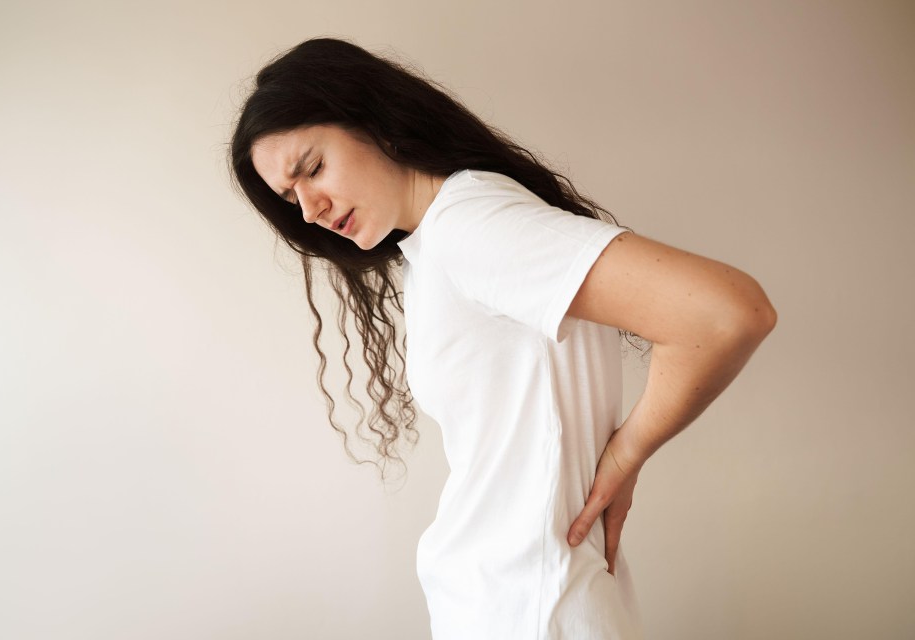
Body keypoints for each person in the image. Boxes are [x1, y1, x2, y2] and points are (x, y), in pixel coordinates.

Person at [229, 37, 776, 640]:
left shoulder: (470, 226)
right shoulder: (440, 238)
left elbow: (727, 313)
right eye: (290, 197)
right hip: (509, 599)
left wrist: (626, 454)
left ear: (373, 120)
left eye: (312, 169)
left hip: (526, 607)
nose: (309, 208)